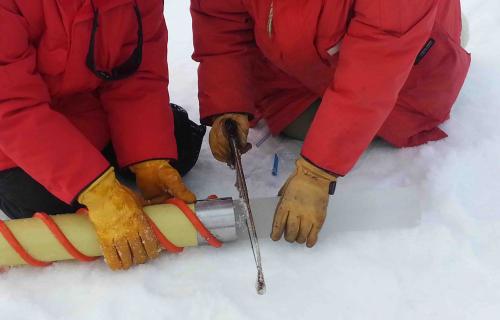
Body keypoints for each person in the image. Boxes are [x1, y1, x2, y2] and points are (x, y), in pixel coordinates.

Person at [191, 0, 471, 247]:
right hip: (297, 68)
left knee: (375, 115)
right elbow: (221, 21)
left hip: (401, 75)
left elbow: (374, 71)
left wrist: (317, 173)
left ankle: (440, 31)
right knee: (297, 123)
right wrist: (230, 103)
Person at [0, 0, 205, 270]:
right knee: (49, 203)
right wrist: (94, 189)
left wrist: (148, 157)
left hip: (84, 109)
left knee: (177, 146)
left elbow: (137, 74)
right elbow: (12, 105)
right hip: (13, 135)